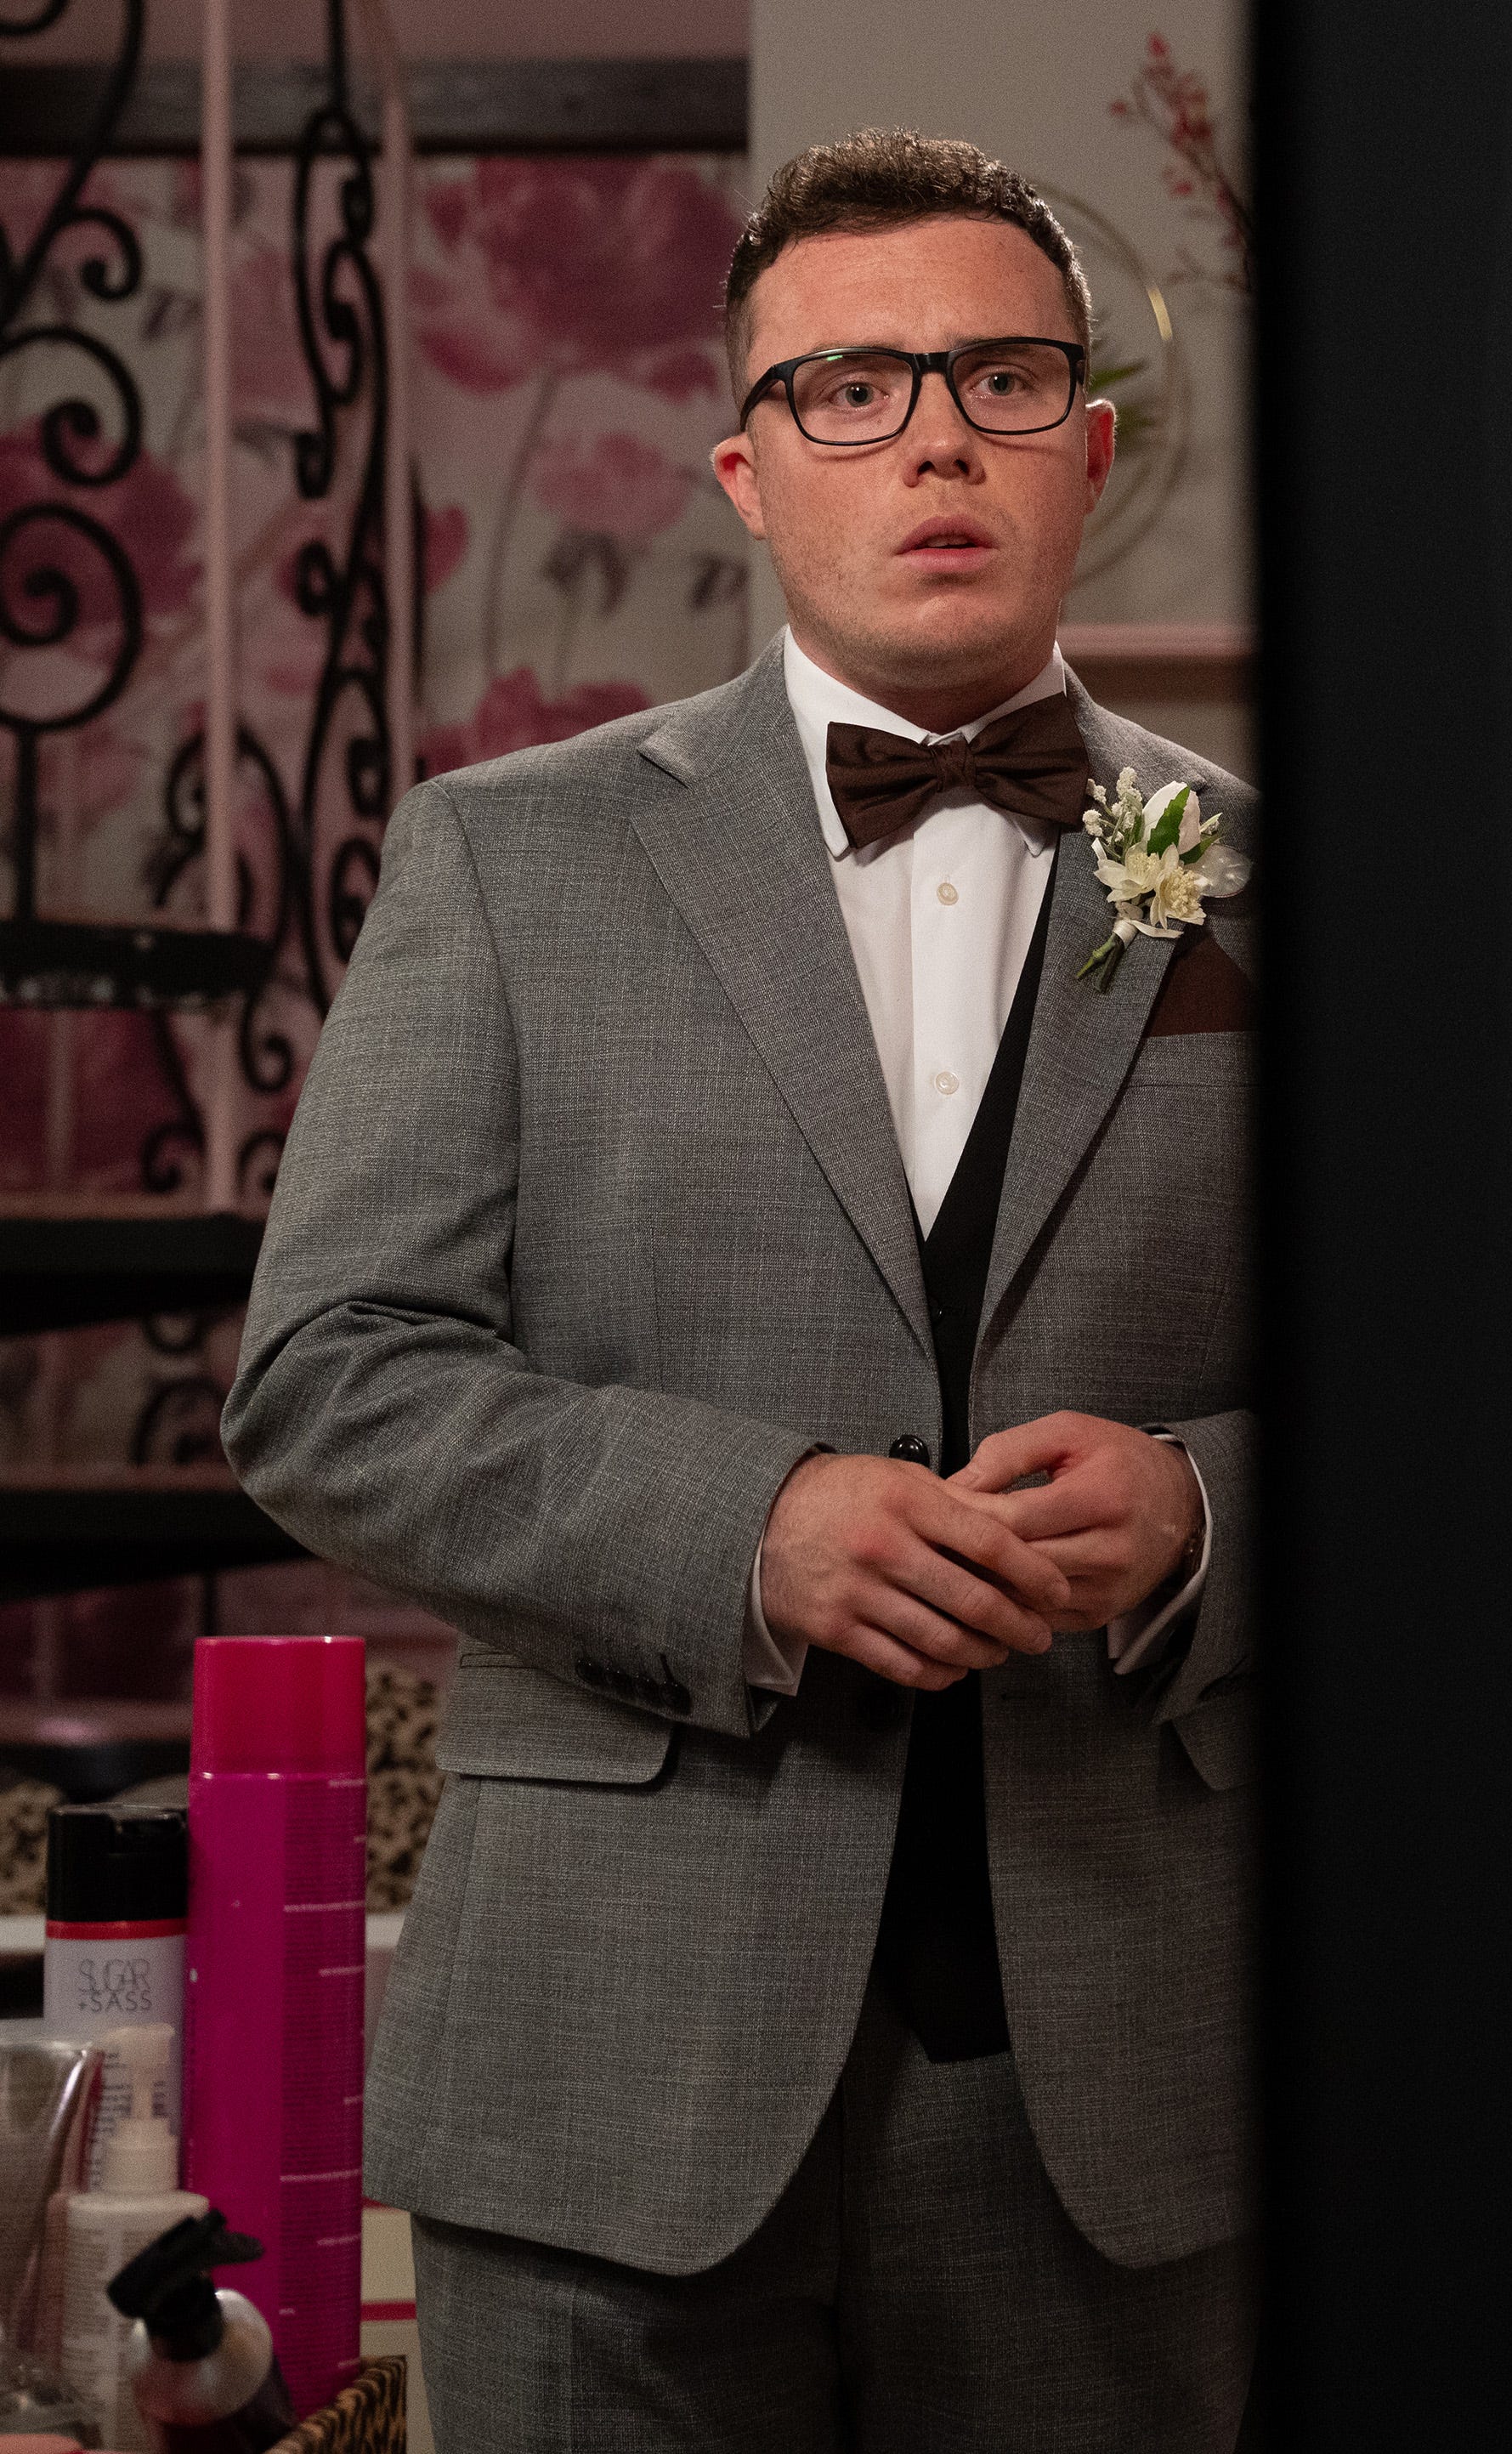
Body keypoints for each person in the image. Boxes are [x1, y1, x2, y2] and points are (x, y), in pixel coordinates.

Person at [224, 131, 1256, 2450]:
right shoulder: (506, 859)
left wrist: (1204, 1514)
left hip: (1130, 2091)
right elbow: (325, 1383)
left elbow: (1491, 1421)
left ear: (1089, 449)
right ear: (748, 473)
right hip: (608, 2077)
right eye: (852, 388)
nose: (935, 441)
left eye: (1000, 378)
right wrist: (745, 1528)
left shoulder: (1287, 883)